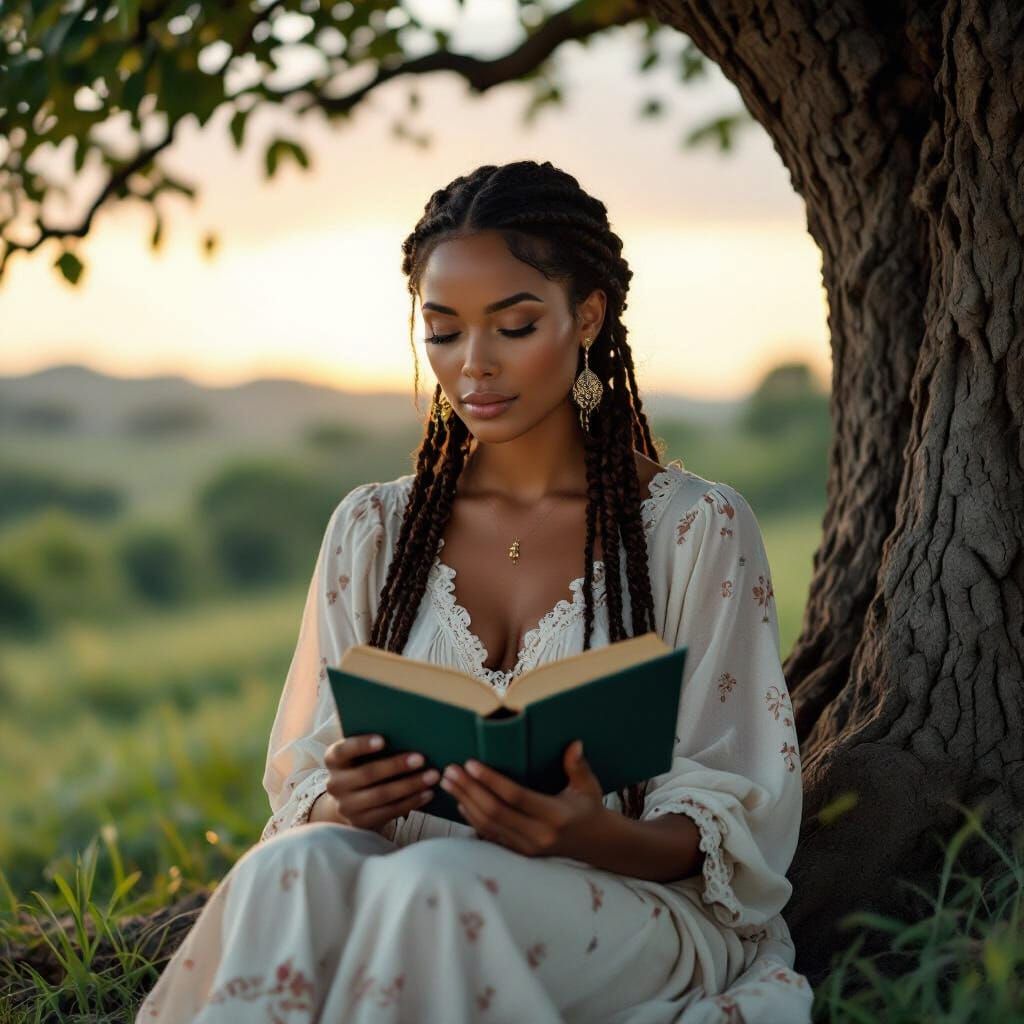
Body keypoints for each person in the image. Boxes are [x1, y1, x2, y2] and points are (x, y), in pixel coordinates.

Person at [135, 160, 813, 1023]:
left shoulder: (692, 529)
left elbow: (740, 796)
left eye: (515, 324)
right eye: (443, 331)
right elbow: (306, 776)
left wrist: (594, 834)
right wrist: (348, 798)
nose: (475, 367)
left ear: (588, 315)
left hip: (626, 902)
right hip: (403, 874)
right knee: (285, 868)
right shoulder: (375, 531)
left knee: (433, 884)